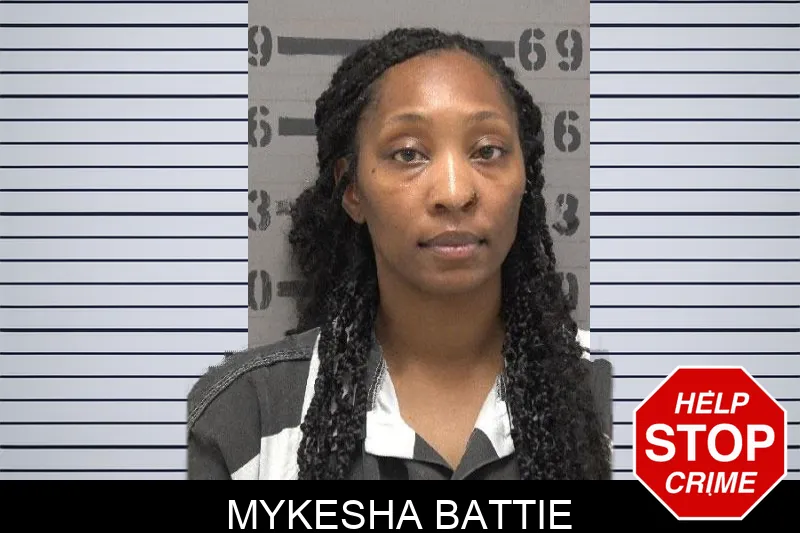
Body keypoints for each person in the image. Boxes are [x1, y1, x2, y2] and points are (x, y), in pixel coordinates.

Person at [187, 27, 611, 480]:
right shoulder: (242, 419)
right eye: (409, 154)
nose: (454, 193)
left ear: (525, 177)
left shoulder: (627, 400)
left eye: (487, 151)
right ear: (352, 189)